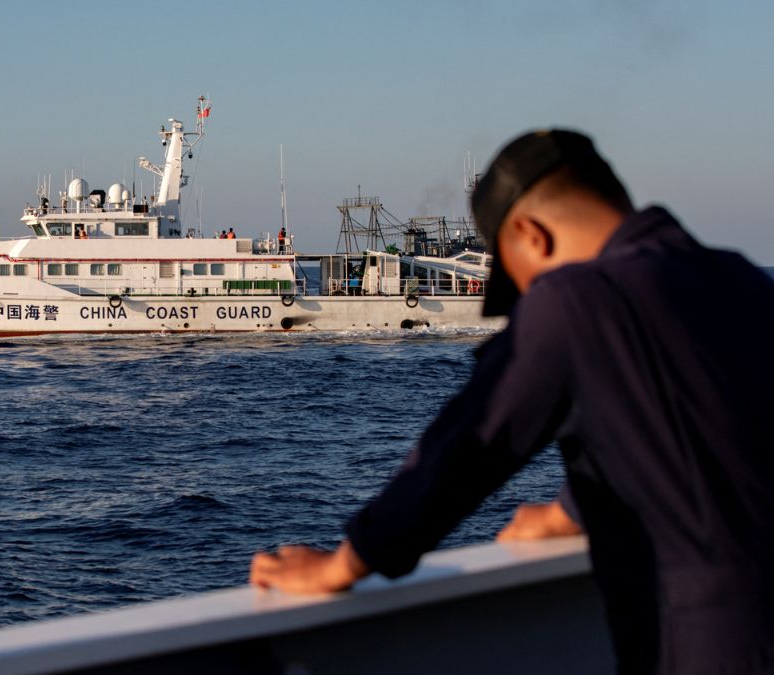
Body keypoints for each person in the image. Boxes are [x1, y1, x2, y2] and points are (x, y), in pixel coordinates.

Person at [250, 129, 774, 673]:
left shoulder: (574, 300)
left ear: (531, 236)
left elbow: (464, 451)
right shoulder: (737, 277)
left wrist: (343, 564)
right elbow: (693, 418)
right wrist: (572, 510)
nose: (525, 298)